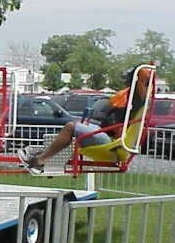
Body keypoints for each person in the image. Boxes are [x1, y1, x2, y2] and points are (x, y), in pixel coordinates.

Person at [18, 67, 152, 174]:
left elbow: (115, 122)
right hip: (114, 140)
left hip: (112, 144)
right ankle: (42, 155)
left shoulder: (133, 102)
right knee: (77, 125)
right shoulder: (138, 103)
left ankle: (41, 160)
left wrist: (141, 76)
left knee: (71, 127)